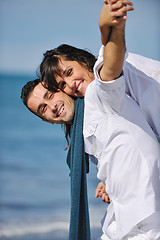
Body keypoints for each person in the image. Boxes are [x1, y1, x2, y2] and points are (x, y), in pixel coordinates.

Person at [21, 1, 160, 239]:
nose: (52, 106)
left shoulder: (97, 94)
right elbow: (119, 152)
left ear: (83, 63)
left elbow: (111, 66)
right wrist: (108, 182)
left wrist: (110, 30)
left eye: (51, 94)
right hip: (120, 220)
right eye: (43, 108)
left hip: (145, 220)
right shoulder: (81, 134)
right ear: (46, 120)